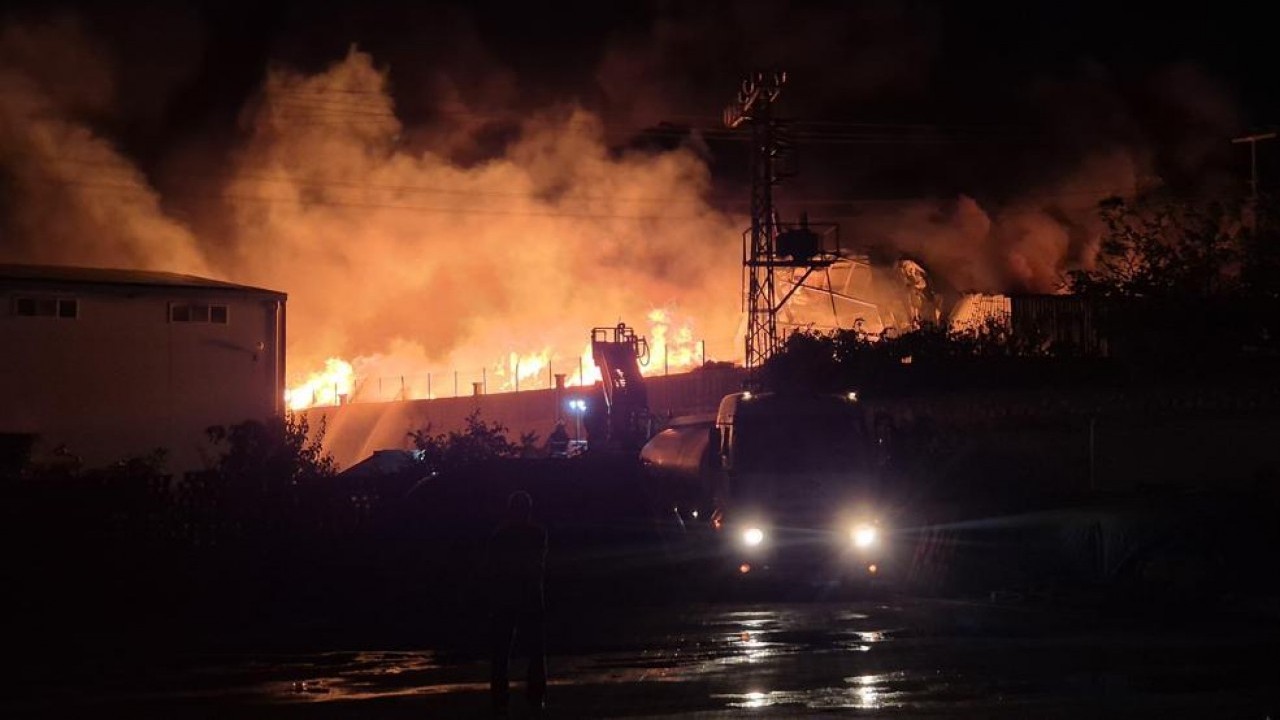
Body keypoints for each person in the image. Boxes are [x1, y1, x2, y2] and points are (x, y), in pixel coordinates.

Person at [484, 491, 548, 718]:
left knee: (501, 651)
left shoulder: (500, 535)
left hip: (505, 596)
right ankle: (536, 694)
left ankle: (500, 697)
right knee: (536, 649)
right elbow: (538, 565)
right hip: (530, 594)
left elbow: (493, 568)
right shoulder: (537, 534)